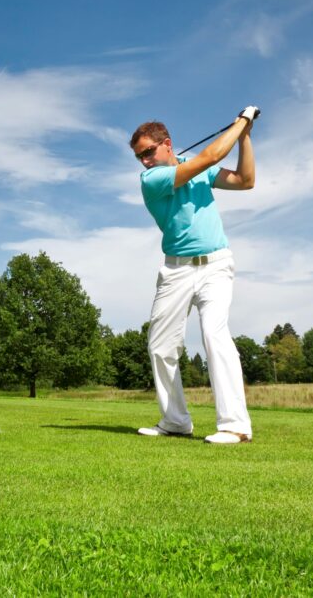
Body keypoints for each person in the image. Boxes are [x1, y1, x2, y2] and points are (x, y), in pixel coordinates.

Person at [130, 106, 259, 445]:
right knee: (160, 346)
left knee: (214, 333)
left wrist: (245, 137)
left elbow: (246, 181)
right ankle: (175, 422)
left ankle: (235, 425)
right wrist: (243, 121)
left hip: (216, 264)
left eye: (147, 152)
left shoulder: (200, 171)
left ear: (166, 144)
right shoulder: (151, 179)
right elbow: (212, 153)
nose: (143, 160)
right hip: (176, 270)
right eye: (139, 156)